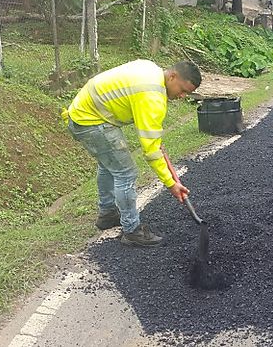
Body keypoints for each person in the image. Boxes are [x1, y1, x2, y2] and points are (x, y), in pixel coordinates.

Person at [63, 60, 201, 247]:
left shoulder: (152, 70)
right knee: (126, 173)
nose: (183, 96)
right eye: (183, 90)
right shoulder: (152, 96)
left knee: (108, 166)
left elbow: (150, 137)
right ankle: (132, 231)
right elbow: (151, 151)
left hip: (84, 113)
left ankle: (108, 214)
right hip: (90, 121)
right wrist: (171, 183)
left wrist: (154, 140)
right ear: (172, 76)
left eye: (188, 93)